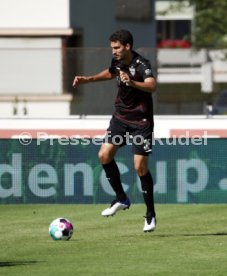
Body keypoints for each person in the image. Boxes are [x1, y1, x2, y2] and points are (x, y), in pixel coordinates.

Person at [73, 29, 157, 232]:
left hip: (141, 121)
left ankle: (150, 214)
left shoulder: (141, 64)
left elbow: (152, 86)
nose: (114, 51)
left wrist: (132, 82)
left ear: (127, 46)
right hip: (120, 118)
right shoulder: (117, 61)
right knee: (104, 155)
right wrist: (89, 79)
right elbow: (110, 72)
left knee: (140, 167)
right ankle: (121, 198)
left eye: (117, 47)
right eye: (112, 48)